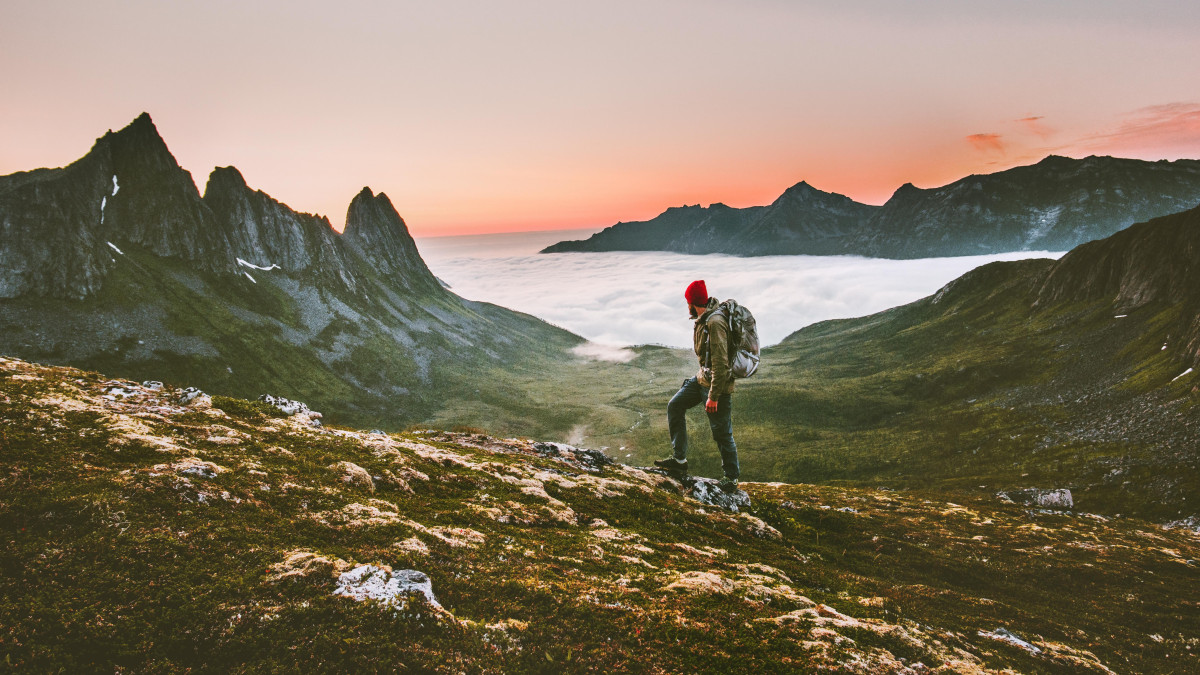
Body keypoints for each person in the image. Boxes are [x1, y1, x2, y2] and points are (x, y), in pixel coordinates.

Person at [654, 280, 740, 490]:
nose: (687, 307)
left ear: (694, 302)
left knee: (721, 433)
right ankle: (679, 461)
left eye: (688, 303)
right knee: (675, 405)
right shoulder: (703, 319)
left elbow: (722, 364)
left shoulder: (715, 323)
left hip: (716, 387)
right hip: (702, 379)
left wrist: (713, 396)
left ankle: (731, 478)